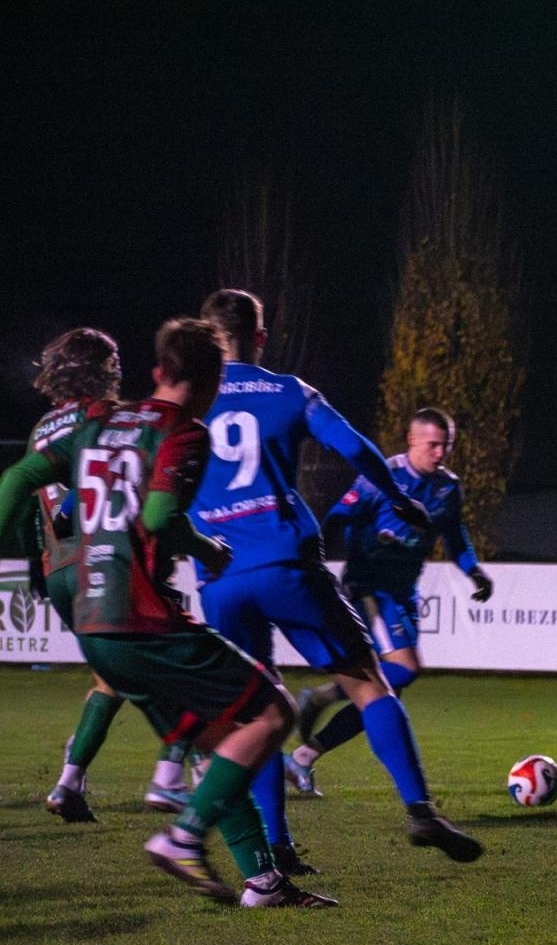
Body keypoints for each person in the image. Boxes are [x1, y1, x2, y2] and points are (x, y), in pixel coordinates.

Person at [0, 318, 334, 906]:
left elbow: (21, 480)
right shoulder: (182, 430)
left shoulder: (93, 424)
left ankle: (262, 880)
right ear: (212, 379)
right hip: (140, 614)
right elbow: (156, 520)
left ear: (157, 371)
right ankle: (182, 836)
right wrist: (207, 548)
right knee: (272, 712)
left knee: (218, 740)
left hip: (91, 615)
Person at [187, 289, 480, 868]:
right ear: (260, 337)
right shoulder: (290, 391)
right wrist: (399, 498)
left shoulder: (184, 403)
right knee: (368, 680)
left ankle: (277, 847)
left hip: (218, 577)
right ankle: (419, 810)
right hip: (286, 562)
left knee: (257, 708)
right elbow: (358, 448)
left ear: (205, 336)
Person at [26, 329, 195, 822]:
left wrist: (36, 562)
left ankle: (69, 783)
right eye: (113, 359)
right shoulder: (100, 416)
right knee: (184, 656)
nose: (119, 367)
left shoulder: (41, 427)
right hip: (104, 563)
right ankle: (172, 777)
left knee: (112, 676)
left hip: (58, 568)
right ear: (97, 368)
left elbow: (29, 502)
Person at [286, 406, 493, 784]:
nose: (440, 453)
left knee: (388, 689)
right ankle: (324, 700)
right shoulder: (382, 477)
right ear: (412, 440)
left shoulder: (448, 486)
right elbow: (337, 517)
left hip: (403, 593)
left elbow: (454, 536)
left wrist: (474, 570)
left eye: (446, 446)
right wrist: (325, 559)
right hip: (369, 587)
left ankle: (305, 750)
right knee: (403, 670)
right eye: (433, 445)